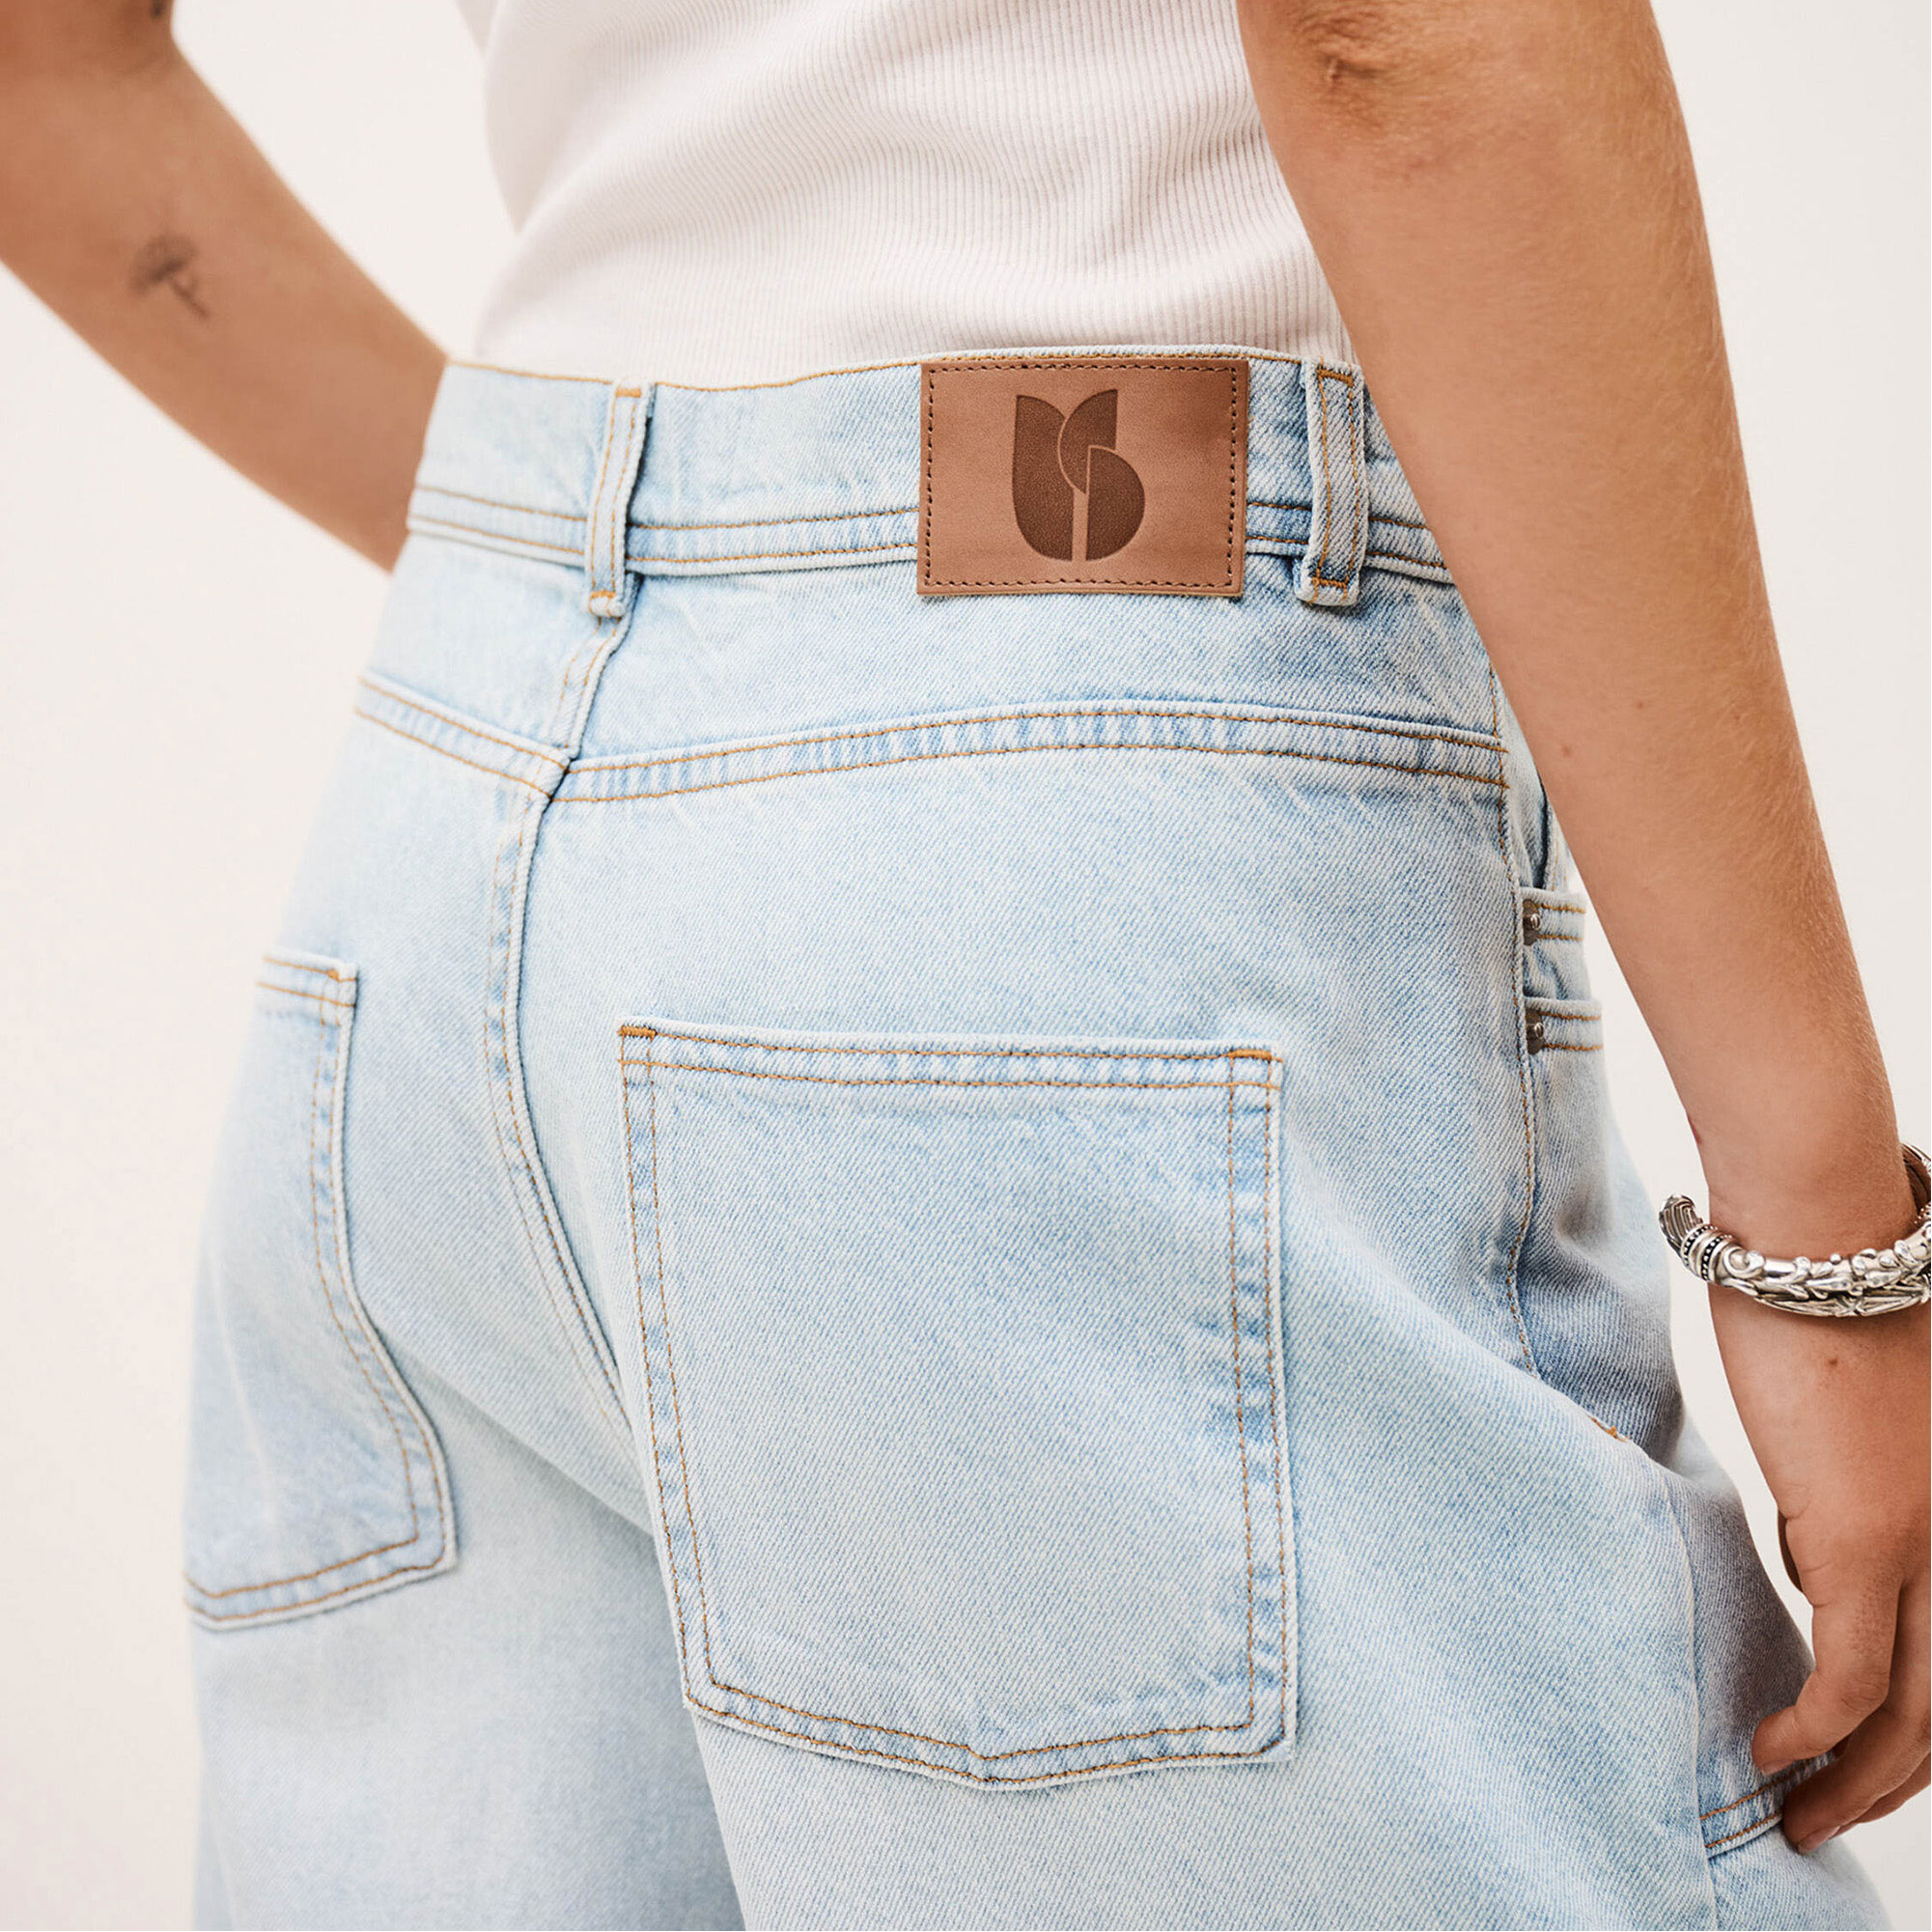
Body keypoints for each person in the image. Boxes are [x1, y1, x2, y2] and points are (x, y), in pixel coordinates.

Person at [3, 2, 1923, 1925]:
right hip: (1064, 878)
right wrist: (1824, 1234)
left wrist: (660, 597)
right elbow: (1401, 41)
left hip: (442, 850)